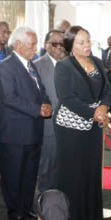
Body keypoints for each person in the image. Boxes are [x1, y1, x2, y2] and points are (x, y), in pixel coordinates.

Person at [53, 25, 111, 220]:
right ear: (71, 45)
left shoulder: (97, 61)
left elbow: (107, 89)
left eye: (88, 40)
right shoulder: (64, 66)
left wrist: (104, 106)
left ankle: (90, 216)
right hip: (70, 127)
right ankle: (72, 219)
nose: (86, 45)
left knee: (91, 169)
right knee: (73, 173)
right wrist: (93, 113)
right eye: (81, 42)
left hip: (94, 124)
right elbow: (66, 98)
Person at [0, 26, 51, 220]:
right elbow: (10, 98)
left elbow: (41, 89)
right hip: (14, 132)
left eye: (35, 44)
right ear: (18, 44)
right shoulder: (6, 67)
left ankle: (26, 207)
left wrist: (46, 104)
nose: (35, 48)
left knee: (29, 172)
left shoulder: (30, 64)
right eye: (32, 44)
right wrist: (37, 109)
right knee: (13, 173)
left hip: (33, 130)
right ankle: (15, 210)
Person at [34, 29, 65, 192]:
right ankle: (45, 206)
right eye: (55, 44)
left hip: (67, 127)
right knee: (46, 169)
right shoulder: (37, 66)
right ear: (46, 46)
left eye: (62, 43)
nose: (59, 47)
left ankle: (59, 204)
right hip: (48, 126)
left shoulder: (68, 65)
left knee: (61, 168)